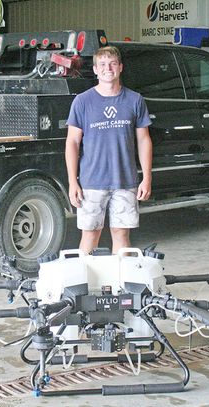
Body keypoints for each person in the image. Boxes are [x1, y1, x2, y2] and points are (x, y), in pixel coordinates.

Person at [65, 45, 153, 254]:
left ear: (120, 67)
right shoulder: (82, 102)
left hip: (125, 181)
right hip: (91, 182)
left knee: (121, 234)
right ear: (95, 70)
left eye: (113, 63)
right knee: (90, 234)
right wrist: (72, 182)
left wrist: (147, 177)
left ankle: (120, 285)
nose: (108, 68)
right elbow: (72, 143)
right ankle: (84, 283)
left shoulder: (135, 100)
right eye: (102, 64)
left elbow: (144, 140)